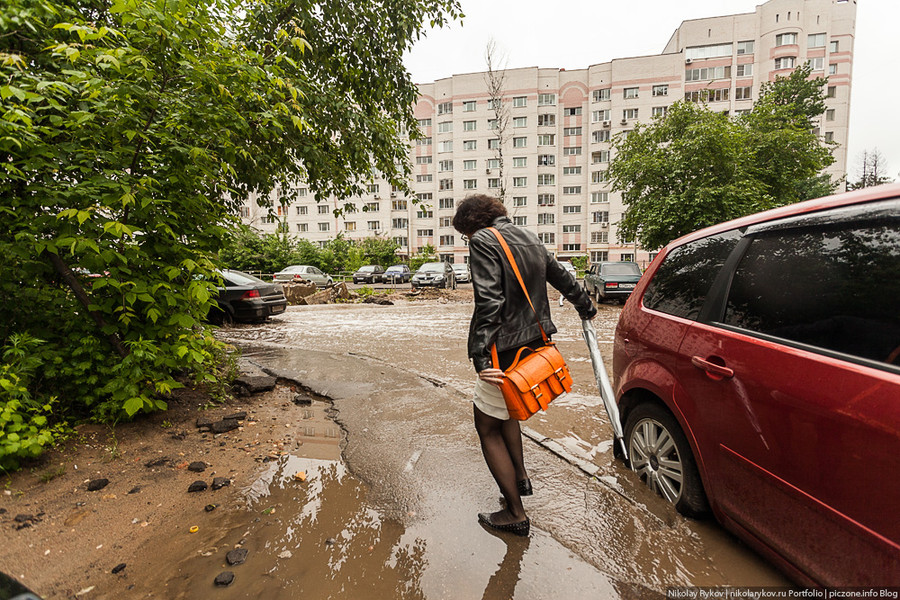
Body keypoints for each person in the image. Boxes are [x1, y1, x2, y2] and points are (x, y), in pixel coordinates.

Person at [452, 194, 597, 537]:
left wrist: (479, 355)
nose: (467, 240)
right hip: (534, 344)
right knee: (509, 413)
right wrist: (586, 305)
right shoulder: (530, 237)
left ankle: (515, 512)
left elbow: (489, 301)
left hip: (502, 349)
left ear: (473, 224)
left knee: (487, 426)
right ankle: (521, 479)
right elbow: (562, 277)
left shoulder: (484, 240)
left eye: (465, 234)